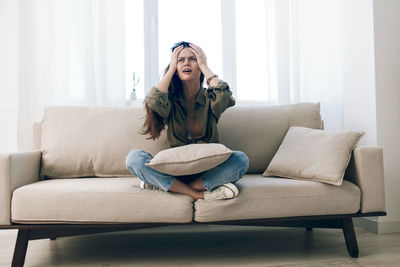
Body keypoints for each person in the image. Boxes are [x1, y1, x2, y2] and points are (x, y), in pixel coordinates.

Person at [125, 41, 249, 201]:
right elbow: (153, 101)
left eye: (193, 59)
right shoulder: (170, 101)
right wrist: (171, 70)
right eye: (180, 60)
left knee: (240, 159)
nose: (187, 63)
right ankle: (196, 193)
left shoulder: (210, 99)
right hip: (176, 171)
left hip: (208, 170)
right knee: (134, 158)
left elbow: (225, 97)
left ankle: (168, 186)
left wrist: (204, 65)